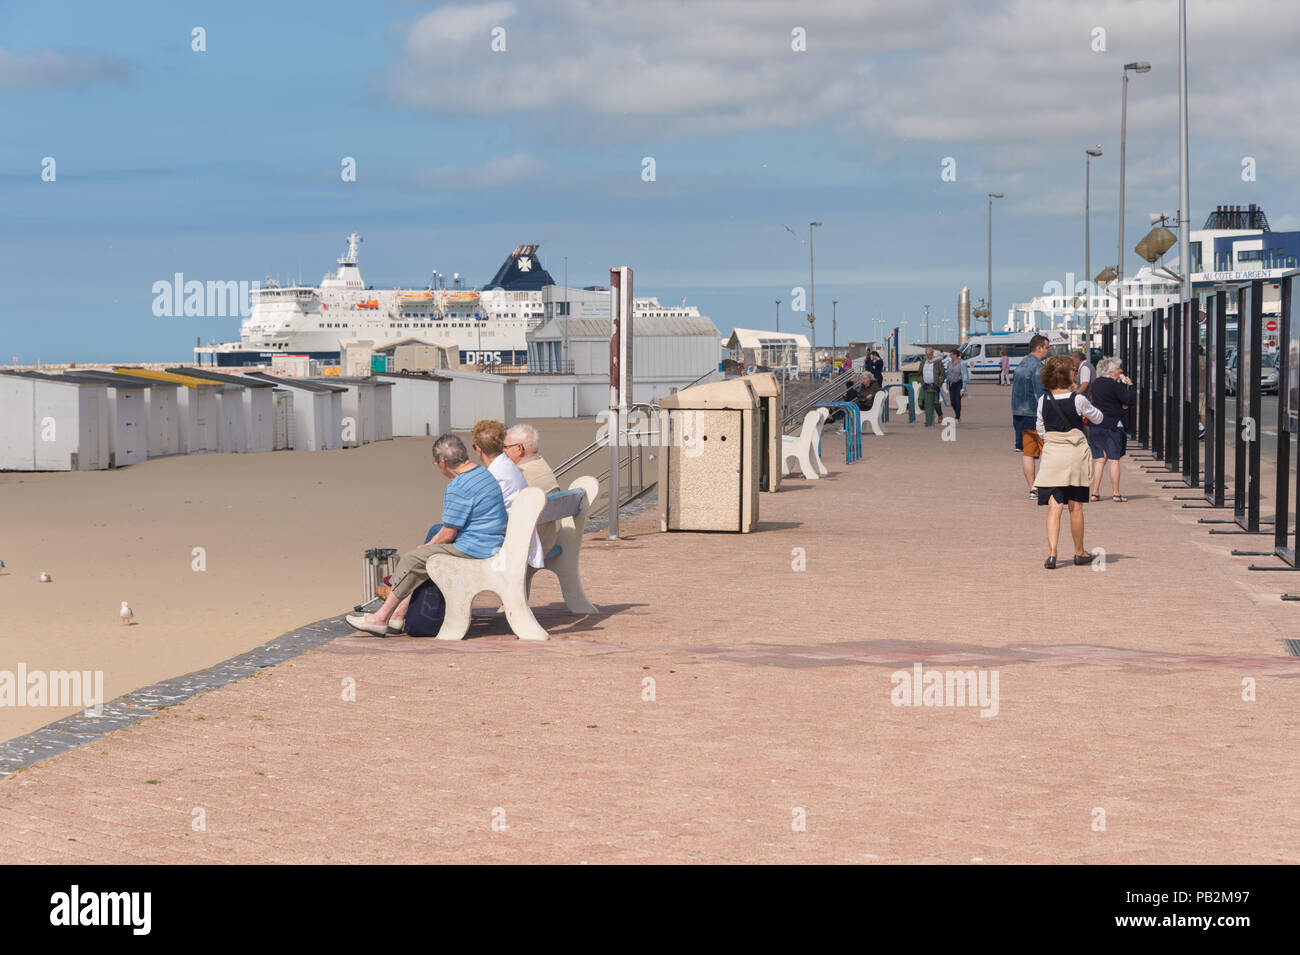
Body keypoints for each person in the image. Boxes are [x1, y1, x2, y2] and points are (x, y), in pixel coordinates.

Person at [346, 434, 506, 635]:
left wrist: (427, 547)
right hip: (491, 542)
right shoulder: (482, 474)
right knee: (427, 544)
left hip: (477, 549)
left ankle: (381, 618)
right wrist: (430, 544)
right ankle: (396, 616)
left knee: (414, 558)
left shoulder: (458, 487)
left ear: (442, 463)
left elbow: (448, 534)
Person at [1035, 355, 1104, 569]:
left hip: (1053, 455)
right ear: (1069, 375)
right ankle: (1079, 551)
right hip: (1074, 456)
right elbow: (1098, 418)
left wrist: (1054, 440)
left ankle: (1052, 553)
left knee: (1054, 507)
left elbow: (1041, 429)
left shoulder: (1043, 400)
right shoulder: (1078, 400)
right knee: (1075, 507)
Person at [472, 419, 544, 570]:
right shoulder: (509, 467)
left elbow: (479, 517)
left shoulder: (494, 475)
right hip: (523, 538)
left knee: (437, 546)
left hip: (510, 545)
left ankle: (419, 594)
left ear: (479, 449)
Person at [505, 423, 561, 555]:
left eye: (505, 447)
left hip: (529, 547)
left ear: (519, 448)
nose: (503, 452)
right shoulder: (541, 464)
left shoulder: (520, 474)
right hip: (547, 541)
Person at [1087, 357, 1135, 502]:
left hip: (1096, 424)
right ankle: (1116, 493)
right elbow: (1129, 400)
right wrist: (1130, 385)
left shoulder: (1095, 384)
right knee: (1114, 460)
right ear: (1111, 371)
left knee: (1100, 460)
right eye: (1119, 368)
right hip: (1113, 425)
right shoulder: (1115, 385)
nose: (1121, 370)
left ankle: (1095, 493)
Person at [1012, 334, 1051, 497]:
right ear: (1039, 347)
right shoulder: (1038, 367)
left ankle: (1033, 488)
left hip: (1019, 412)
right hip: (1036, 414)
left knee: (1028, 452)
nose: (1048, 351)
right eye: (1047, 347)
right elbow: (1041, 393)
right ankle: (1046, 487)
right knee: (1048, 451)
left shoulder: (1021, 364)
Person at [919, 347, 946, 427]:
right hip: (925, 385)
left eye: (930, 354)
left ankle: (940, 415)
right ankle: (928, 419)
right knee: (926, 403)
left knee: (935, 402)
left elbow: (943, 374)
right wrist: (922, 382)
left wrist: (939, 383)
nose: (928, 356)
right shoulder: (923, 361)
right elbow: (919, 373)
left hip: (934, 385)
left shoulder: (937, 362)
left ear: (932, 354)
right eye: (927, 354)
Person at [946, 348, 970, 421]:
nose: (950, 355)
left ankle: (957, 417)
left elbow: (965, 375)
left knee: (957, 400)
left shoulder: (962, 363)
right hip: (951, 384)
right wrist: (946, 381)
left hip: (959, 383)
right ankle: (957, 413)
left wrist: (964, 386)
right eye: (950, 354)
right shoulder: (949, 363)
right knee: (952, 402)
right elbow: (948, 374)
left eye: (951, 354)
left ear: (956, 355)